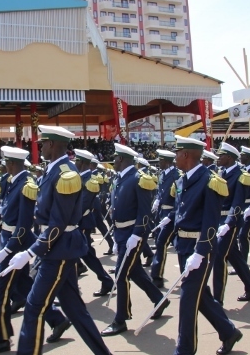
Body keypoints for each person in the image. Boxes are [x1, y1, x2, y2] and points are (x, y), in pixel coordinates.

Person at [4, 125, 119, 355]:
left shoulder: (67, 175)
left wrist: (33, 251)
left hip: (59, 250)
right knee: (75, 309)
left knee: (34, 308)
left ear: (55, 145)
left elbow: (59, 224)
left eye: (43, 143)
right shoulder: (53, 171)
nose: (40, 147)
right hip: (54, 248)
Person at [156, 136, 242, 355]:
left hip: (199, 249)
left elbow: (211, 222)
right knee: (201, 296)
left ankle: (182, 353)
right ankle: (228, 331)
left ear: (186, 155)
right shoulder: (184, 179)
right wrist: (170, 219)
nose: (174, 158)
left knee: (187, 298)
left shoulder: (210, 181)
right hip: (184, 246)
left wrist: (201, 252)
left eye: (177, 153)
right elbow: (183, 209)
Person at [0, 146, 71, 355]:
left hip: (16, 244)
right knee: (25, 287)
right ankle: (57, 319)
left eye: (6, 163)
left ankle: (1, 338)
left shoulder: (26, 185)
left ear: (12, 163)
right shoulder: (14, 182)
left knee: (0, 292)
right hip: (9, 242)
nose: (4, 167)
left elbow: (23, 225)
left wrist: (7, 250)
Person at [101, 143, 167, 337]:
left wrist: (137, 235)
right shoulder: (121, 179)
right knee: (135, 271)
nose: (113, 160)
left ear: (122, 159)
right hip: (122, 234)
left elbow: (144, 213)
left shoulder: (139, 179)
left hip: (133, 234)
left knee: (121, 275)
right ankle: (159, 299)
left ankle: (120, 319)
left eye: (115, 158)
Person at [212, 142, 250, 305]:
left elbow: (237, 203)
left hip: (230, 222)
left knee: (219, 256)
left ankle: (217, 298)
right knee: (234, 255)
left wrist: (229, 222)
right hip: (219, 220)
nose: (218, 158)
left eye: (221, 155)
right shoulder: (221, 172)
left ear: (230, 158)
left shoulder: (241, 175)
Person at [73, 149, 114, 296]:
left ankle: (104, 280)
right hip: (77, 223)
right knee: (86, 254)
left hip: (81, 222)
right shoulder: (78, 178)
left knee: (84, 254)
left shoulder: (90, 180)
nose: (75, 163)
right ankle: (105, 280)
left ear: (83, 163)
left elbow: (82, 205)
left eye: (77, 161)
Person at [150, 149, 179, 288]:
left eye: (161, 160)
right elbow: (160, 192)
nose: (159, 162)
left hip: (172, 214)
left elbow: (179, 200)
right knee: (165, 242)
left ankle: (157, 276)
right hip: (162, 213)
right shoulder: (163, 174)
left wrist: (171, 214)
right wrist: (157, 200)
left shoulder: (176, 175)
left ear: (167, 162)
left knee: (162, 243)